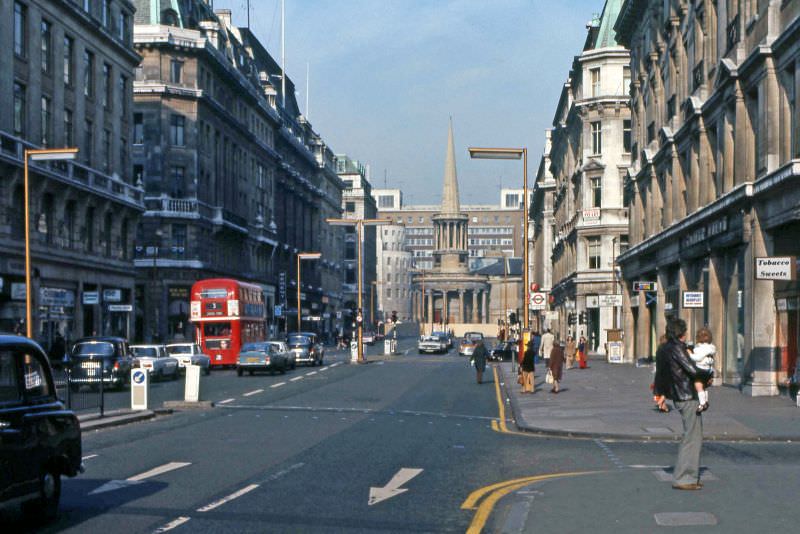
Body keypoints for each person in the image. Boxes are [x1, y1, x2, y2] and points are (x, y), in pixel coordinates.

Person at [654, 317, 705, 490]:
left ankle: (688, 475)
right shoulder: (677, 348)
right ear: (681, 333)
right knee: (692, 437)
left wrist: (660, 394)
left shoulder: (663, 349)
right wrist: (709, 374)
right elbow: (691, 369)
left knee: (690, 435)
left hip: (677, 395)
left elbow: (660, 375)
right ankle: (685, 478)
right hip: (687, 395)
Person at [689, 327, 716, 412]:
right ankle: (706, 401)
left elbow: (697, 358)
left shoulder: (700, 348)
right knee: (703, 386)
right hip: (709, 371)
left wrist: (690, 354)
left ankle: (702, 403)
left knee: (698, 385)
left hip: (701, 369)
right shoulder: (711, 348)